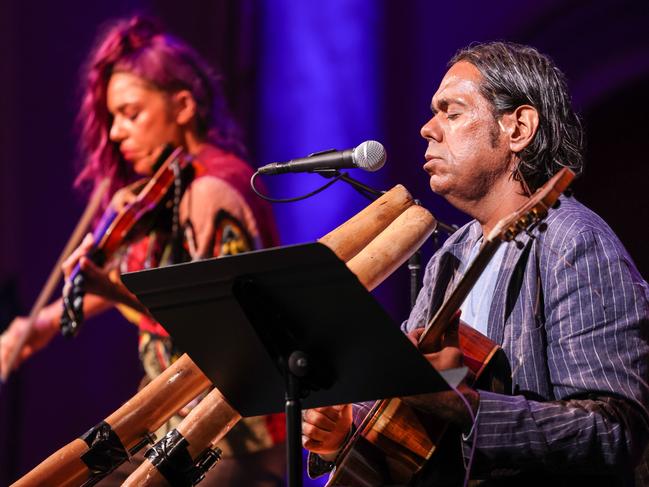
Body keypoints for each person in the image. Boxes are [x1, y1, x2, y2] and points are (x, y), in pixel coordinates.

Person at [302, 42, 649, 485]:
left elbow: (613, 431)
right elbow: (426, 417)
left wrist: (468, 409)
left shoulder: (574, 242)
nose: (428, 129)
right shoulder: (451, 257)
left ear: (517, 128)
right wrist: (347, 430)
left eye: (452, 112)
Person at [0, 16, 286, 486]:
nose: (115, 133)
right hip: (170, 424)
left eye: (131, 114)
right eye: (113, 117)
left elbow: (220, 331)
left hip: (232, 434)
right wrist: (46, 323)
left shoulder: (215, 191)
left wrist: (110, 290)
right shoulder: (161, 190)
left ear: (183, 106)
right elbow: (134, 273)